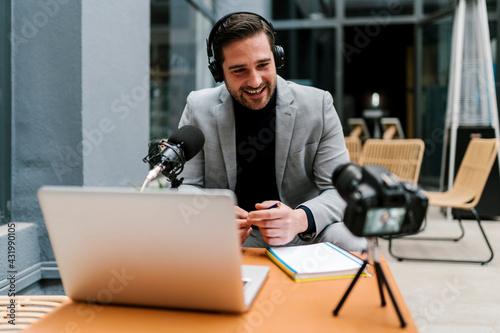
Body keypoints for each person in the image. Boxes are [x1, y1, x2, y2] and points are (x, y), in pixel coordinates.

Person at [177, 12, 366, 251]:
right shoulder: (198, 107)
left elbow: (338, 191)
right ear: (219, 72)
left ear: (277, 58)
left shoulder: (318, 105)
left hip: (299, 233)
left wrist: (299, 219)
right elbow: (187, 186)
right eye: (239, 70)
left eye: (263, 65)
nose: (255, 81)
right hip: (226, 234)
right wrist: (213, 215)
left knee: (351, 238)